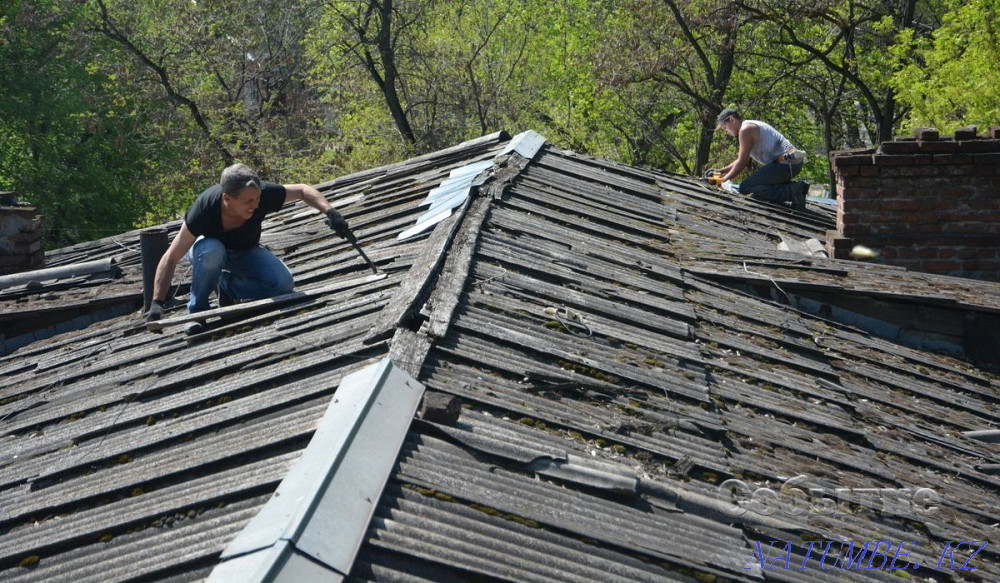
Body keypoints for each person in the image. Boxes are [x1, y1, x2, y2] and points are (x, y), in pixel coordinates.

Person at [145, 163, 352, 332]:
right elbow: (170, 258)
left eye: (258, 198)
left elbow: (302, 190)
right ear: (227, 199)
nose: (255, 205)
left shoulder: (261, 195)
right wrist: (157, 303)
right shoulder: (204, 209)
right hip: (207, 252)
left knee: (283, 284)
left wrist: (331, 212)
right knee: (212, 250)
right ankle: (198, 313)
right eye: (248, 201)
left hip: (245, 251)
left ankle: (226, 286)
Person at [714, 108, 809, 211]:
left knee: (745, 188)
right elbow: (740, 160)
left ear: (732, 120)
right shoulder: (747, 127)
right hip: (790, 163)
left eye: (724, 127)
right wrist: (721, 171)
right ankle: (797, 188)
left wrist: (722, 180)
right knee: (755, 185)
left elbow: (742, 163)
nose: (725, 131)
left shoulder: (745, 130)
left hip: (786, 163)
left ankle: (793, 191)